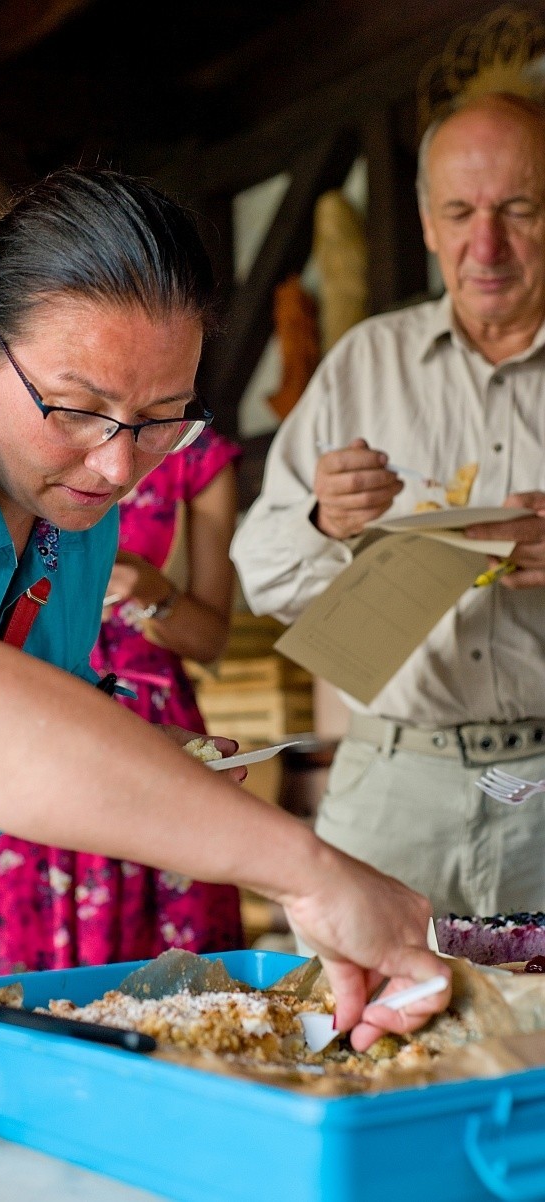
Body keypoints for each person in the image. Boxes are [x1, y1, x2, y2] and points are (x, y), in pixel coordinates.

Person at [0, 165, 447, 1046]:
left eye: (162, 418)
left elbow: (12, 723)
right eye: (78, 408)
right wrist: (306, 871)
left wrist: (152, 759)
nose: (119, 469)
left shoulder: (63, 512)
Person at [231, 93, 545, 927]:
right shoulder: (366, 363)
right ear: (426, 223)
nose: (488, 246)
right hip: (395, 784)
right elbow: (259, 572)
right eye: (460, 212)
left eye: (517, 209)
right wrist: (325, 524)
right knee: (355, 1037)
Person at [0, 428, 244, 974]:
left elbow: (209, 639)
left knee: (179, 970)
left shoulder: (197, 457)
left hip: (153, 716)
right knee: (33, 974)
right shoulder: (17, 432)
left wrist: (150, 586)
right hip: (36, 712)